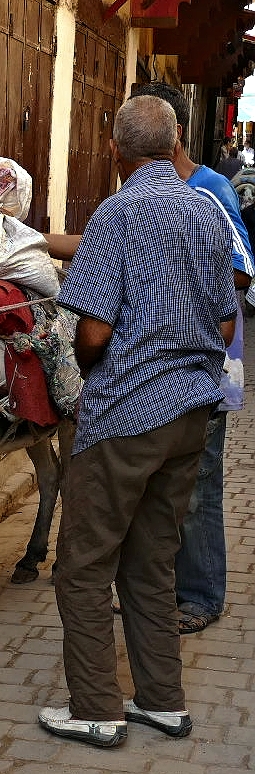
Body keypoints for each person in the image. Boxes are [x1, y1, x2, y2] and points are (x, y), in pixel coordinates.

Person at [38, 94, 237, 748]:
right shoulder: (204, 210)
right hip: (190, 415)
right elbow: (226, 319)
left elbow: (91, 329)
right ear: (174, 141)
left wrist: (98, 369)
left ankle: (95, 708)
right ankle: (162, 701)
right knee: (152, 564)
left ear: (114, 150)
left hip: (127, 413)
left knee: (82, 565)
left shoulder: (116, 214)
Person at [131, 82, 255, 635]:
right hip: (158, 370)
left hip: (207, 367)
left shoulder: (209, 192)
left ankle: (202, 594)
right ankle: (154, 590)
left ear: (172, 134)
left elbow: (239, 274)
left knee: (200, 482)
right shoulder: (146, 193)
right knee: (156, 483)